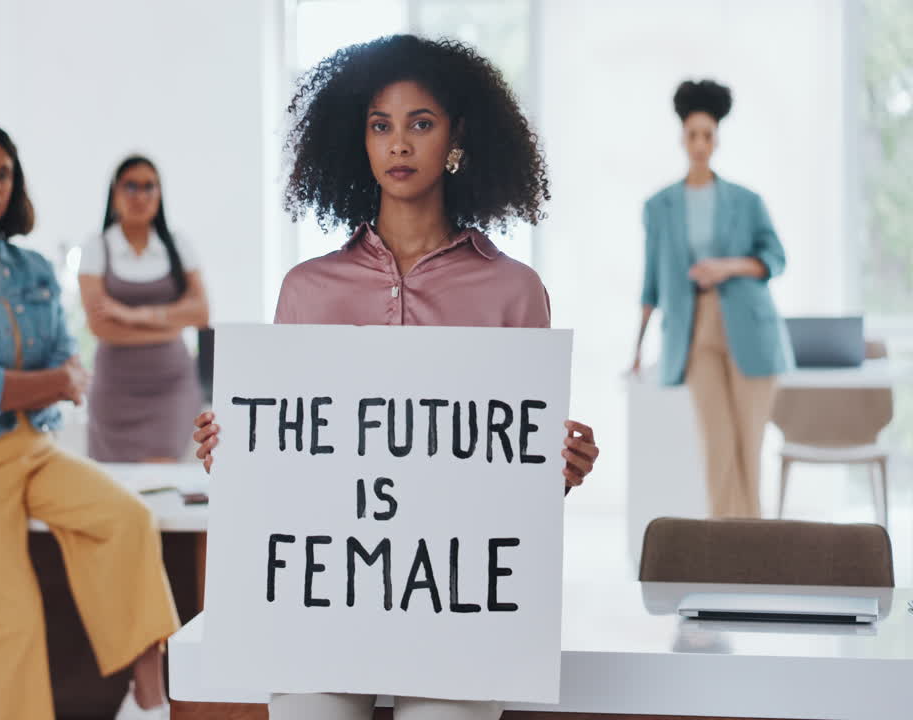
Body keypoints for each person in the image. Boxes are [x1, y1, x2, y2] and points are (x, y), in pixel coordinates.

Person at [192, 36, 601, 720]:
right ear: (359, 140)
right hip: (323, 607)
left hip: (457, 610)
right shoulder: (306, 289)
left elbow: (512, 476)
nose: (399, 144)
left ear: (457, 137)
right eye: (381, 125)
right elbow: (290, 463)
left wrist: (559, 466)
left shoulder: (514, 291)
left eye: (421, 123)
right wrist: (232, 452)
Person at [0, 127, 178, 720]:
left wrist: (13, 386)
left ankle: (148, 700)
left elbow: (58, 358)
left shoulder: (31, 269)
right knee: (11, 622)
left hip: (35, 449)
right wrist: (44, 382)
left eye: (4, 173)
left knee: (128, 519)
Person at [631, 80, 788, 519]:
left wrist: (727, 267)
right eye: (693, 135)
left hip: (750, 328)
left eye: (708, 136)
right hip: (694, 329)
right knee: (717, 446)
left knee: (748, 446)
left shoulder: (747, 201)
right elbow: (650, 285)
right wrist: (638, 350)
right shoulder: (659, 206)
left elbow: (775, 259)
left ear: (717, 140)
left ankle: (754, 546)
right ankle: (729, 549)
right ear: (682, 138)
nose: (700, 144)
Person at [79, 156, 209, 462]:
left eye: (149, 187)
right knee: (116, 491)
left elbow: (201, 313)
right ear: (115, 193)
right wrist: (171, 325)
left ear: (160, 194)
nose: (141, 196)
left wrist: (131, 315)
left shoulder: (178, 246)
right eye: (131, 186)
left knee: (161, 477)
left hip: (171, 389)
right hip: (114, 392)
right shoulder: (97, 247)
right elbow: (101, 328)